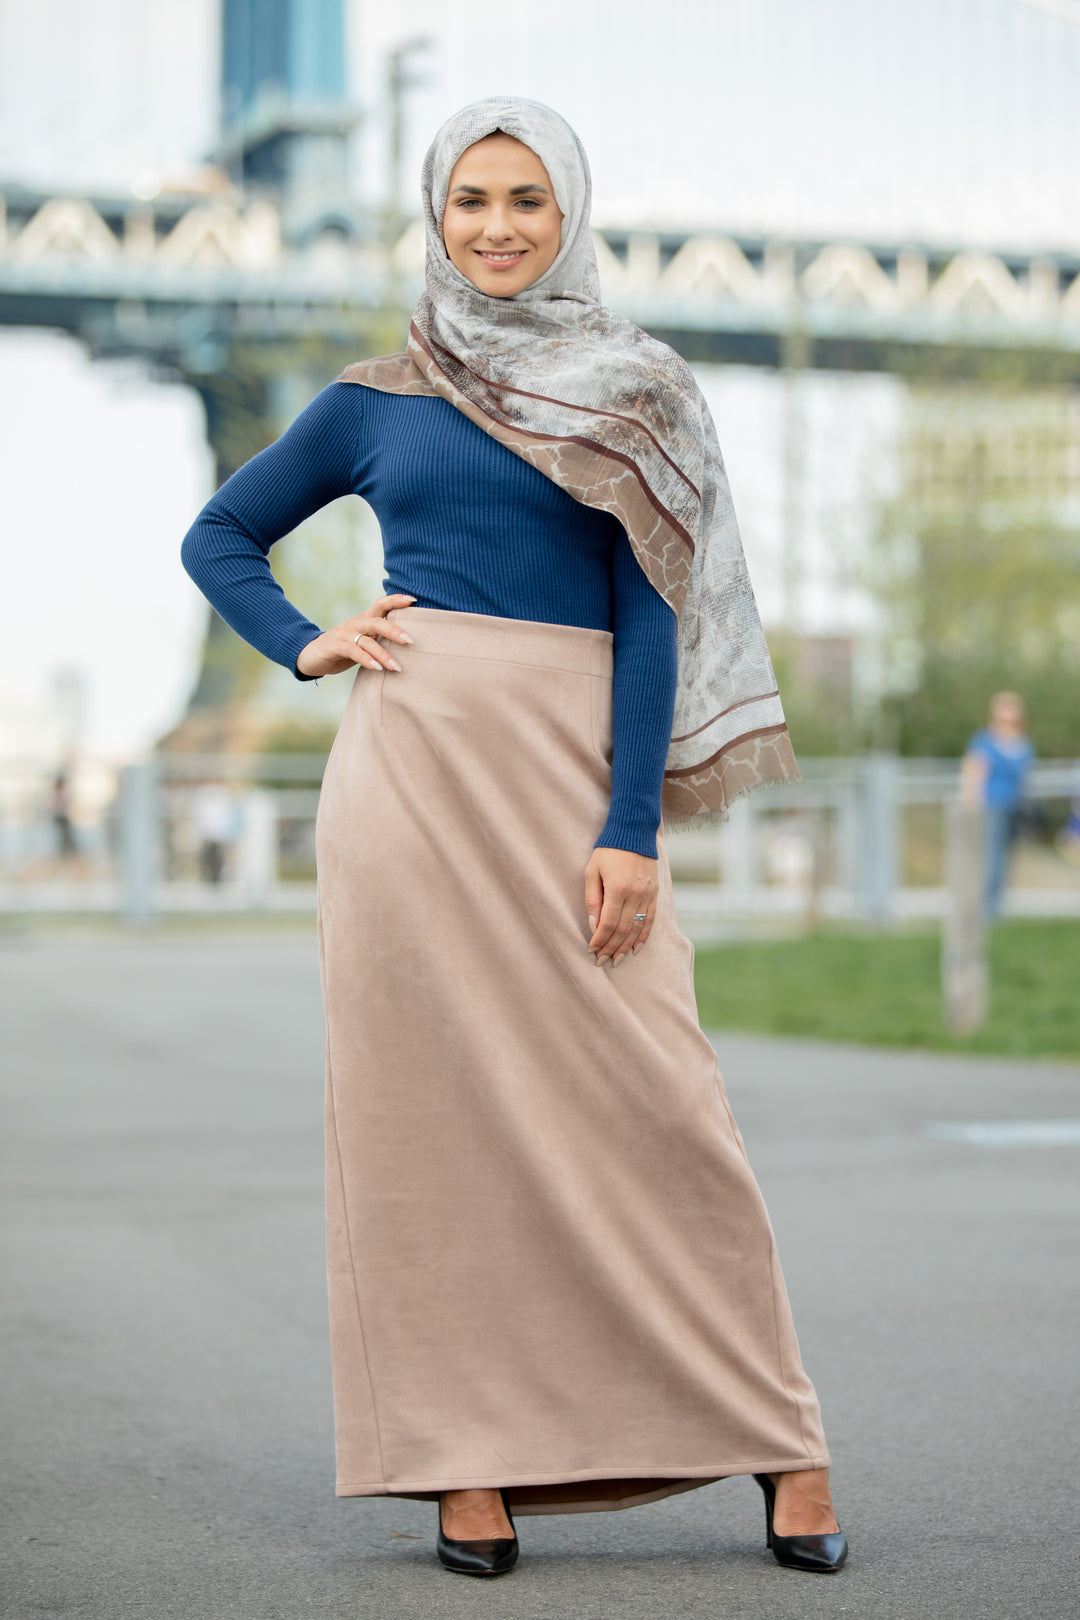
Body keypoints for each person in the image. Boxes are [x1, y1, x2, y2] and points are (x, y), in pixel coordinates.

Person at [181, 98, 846, 1580]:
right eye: (471, 199)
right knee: (428, 1137)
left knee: (665, 1110)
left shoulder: (637, 387)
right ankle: (461, 1465)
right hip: (409, 788)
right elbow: (219, 536)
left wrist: (632, 831)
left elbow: (651, 614)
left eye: (527, 201)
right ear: (435, 215)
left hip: (571, 779)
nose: (496, 227)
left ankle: (784, 1438)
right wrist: (306, 642)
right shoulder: (372, 400)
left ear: (572, 213)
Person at [961, 691, 1034, 917]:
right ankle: (987, 909)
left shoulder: (1022, 742)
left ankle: (997, 903)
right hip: (991, 805)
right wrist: (970, 799)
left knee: (1004, 856)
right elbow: (973, 770)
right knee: (990, 856)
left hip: (1013, 806)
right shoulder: (984, 740)